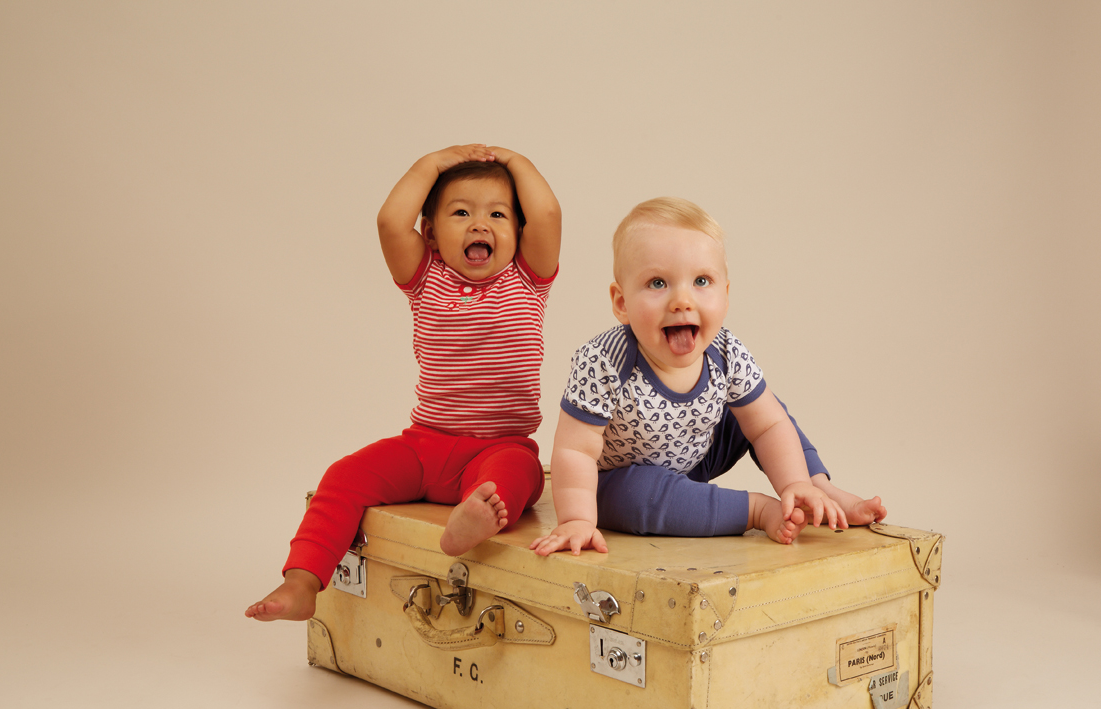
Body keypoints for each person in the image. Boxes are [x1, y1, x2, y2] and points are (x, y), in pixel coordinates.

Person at [248, 144, 561, 620]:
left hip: (501, 445)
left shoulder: (527, 279)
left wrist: (515, 161)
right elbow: (391, 222)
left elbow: (548, 212)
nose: (480, 224)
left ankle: (469, 522)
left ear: (519, 233)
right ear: (431, 233)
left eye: (498, 214)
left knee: (519, 480)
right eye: (461, 212)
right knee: (343, 476)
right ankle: (302, 581)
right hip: (424, 446)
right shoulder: (425, 277)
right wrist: (430, 165)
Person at [530, 197, 884, 557]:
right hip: (619, 479)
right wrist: (577, 519)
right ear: (621, 303)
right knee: (639, 496)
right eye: (657, 283)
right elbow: (575, 451)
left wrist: (793, 480)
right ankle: (757, 510)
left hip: (697, 456)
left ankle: (815, 488)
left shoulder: (726, 352)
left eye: (701, 281)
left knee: (767, 413)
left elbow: (768, 427)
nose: (682, 300)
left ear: (725, 296)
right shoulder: (605, 360)